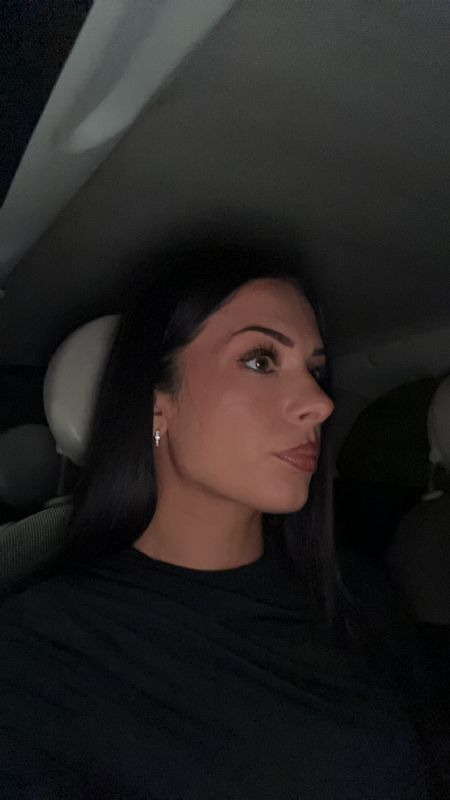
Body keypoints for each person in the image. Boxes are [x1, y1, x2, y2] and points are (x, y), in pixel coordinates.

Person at [0, 229, 445, 798]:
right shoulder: (43, 652)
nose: (321, 402)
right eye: (261, 360)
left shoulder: (356, 594)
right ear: (156, 405)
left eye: (315, 370)